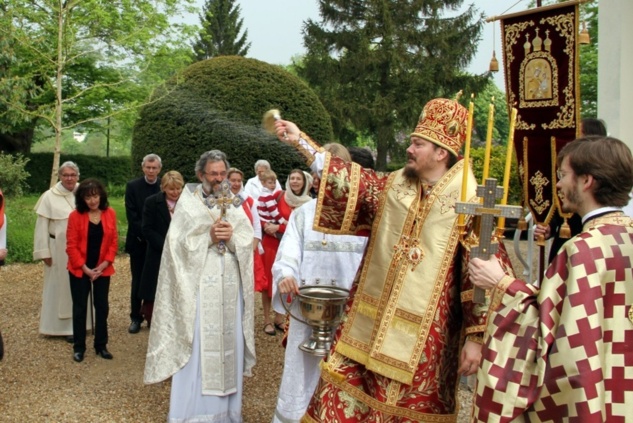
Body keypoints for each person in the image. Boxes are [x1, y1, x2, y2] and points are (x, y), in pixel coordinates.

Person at [273, 97, 513, 421]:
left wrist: (477, 336)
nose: (409, 149)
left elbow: (481, 279)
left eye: (417, 144)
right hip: (365, 329)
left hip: (427, 345)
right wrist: (300, 140)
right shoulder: (392, 186)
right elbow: (347, 180)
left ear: (441, 152)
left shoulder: (471, 203)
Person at [468, 135, 633, 422]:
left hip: (590, 398)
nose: (557, 185)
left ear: (586, 181)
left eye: (563, 175)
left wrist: (501, 283)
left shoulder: (582, 250)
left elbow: (549, 332)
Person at [144, 150, 256, 422]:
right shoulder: (189, 202)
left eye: (222, 173)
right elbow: (175, 246)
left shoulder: (235, 201)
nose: (218, 179)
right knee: (197, 345)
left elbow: (248, 240)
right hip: (199, 286)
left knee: (229, 343)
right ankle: (192, 414)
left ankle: (227, 413)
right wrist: (207, 235)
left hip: (230, 286)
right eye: (212, 174)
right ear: (200, 175)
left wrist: (232, 239)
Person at [271, 144, 369, 423]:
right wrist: (286, 275)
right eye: (319, 172)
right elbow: (287, 254)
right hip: (307, 308)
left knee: (344, 373)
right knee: (302, 370)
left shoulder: (361, 217)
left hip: (349, 312)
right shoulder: (303, 214)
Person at [535, 117, 608, 263]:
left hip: (593, 246)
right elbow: (560, 203)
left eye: (577, 133)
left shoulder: (605, 172)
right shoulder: (569, 165)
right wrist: (550, 226)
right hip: (564, 244)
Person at [66, 179, 118, 363]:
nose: (93, 200)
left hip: (102, 269)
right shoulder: (75, 216)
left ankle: (101, 345)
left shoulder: (110, 213)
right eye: (88, 197)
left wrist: (104, 265)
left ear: (101, 195)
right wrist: (85, 268)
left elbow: (113, 242)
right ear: (82, 199)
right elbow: (71, 247)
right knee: (80, 308)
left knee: (102, 307)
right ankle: (79, 347)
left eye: (95, 195)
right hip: (80, 270)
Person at [33, 161, 84, 341]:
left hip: (81, 249)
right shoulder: (49, 196)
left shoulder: (85, 192)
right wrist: (43, 251)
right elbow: (41, 226)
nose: (69, 178)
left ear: (78, 176)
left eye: (72, 175)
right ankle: (59, 328)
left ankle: (82, 325)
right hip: (58, 249)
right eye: (65, 175)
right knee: (58, 287)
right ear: (60, 176)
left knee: (81, 286)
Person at [258, 169, 313, 335]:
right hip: (272, 244)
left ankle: (280, 318)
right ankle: (267, 319)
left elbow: (304, 228)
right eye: (292, 178)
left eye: (298, 179)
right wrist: (266, 226)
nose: (295, 181)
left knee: (289, 281)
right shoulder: (279, 196)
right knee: (269, 283)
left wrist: (280, 227)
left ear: (305, 182)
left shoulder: (309, 203)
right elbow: (261, 212)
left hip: (292, 249)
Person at [138, 170, 184, 329]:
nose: (175, 192)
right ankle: (155, 322)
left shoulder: (187, 203)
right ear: (163, 188)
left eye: (178, 188)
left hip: (181, 253)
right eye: (172, 189)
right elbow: (147, 229)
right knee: (156, 288)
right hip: (158, 253)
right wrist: (166, 245)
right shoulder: (152, 202)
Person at [125, 153, 162, 334]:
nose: (151, 171)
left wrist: (156, 239)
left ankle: (152, 315)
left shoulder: (164, 186)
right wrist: (146, 235)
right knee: (138, 280)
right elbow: (132, 216)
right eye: (148, 167)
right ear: (143, 167)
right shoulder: (132, 187)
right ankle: (135, 317)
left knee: (157, 280)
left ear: (159, 169)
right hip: (139, 241)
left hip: (158, 244)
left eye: (154, 168)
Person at [228, 167, 268, 317]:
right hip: (229, 249)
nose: (236, 183)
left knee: (246, 286)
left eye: (239, 180)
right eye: (233, 180)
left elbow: (257, 226)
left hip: (247, 249)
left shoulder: (249, 200)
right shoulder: (221, 199)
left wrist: (253, 247)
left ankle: (244, 315)